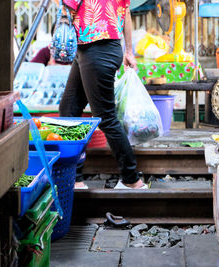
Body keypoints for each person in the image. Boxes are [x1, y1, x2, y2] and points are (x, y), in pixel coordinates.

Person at [60, 0, 147, 189]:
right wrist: (129, 51)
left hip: (97, 49)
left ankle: (131, 179)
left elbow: (70, 6)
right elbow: (126, 12)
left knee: (105, 117)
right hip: (90, 48)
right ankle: (74, 178)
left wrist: (129, 50)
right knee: (69, 109)